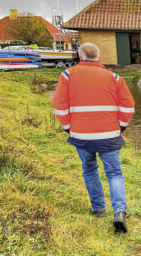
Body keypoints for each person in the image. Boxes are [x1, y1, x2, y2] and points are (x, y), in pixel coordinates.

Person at [52, 43, 135, 233]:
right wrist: (121, 126)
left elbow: (59, 105)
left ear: (80, 57)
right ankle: (120, 211)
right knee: (114, 173)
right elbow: (129, 105)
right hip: (109, 134)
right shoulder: (114, 78)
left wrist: (67, 127)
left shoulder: (67, 75)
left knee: (89, 170)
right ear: (99, 58)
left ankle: (98, 208)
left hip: (81, 135)